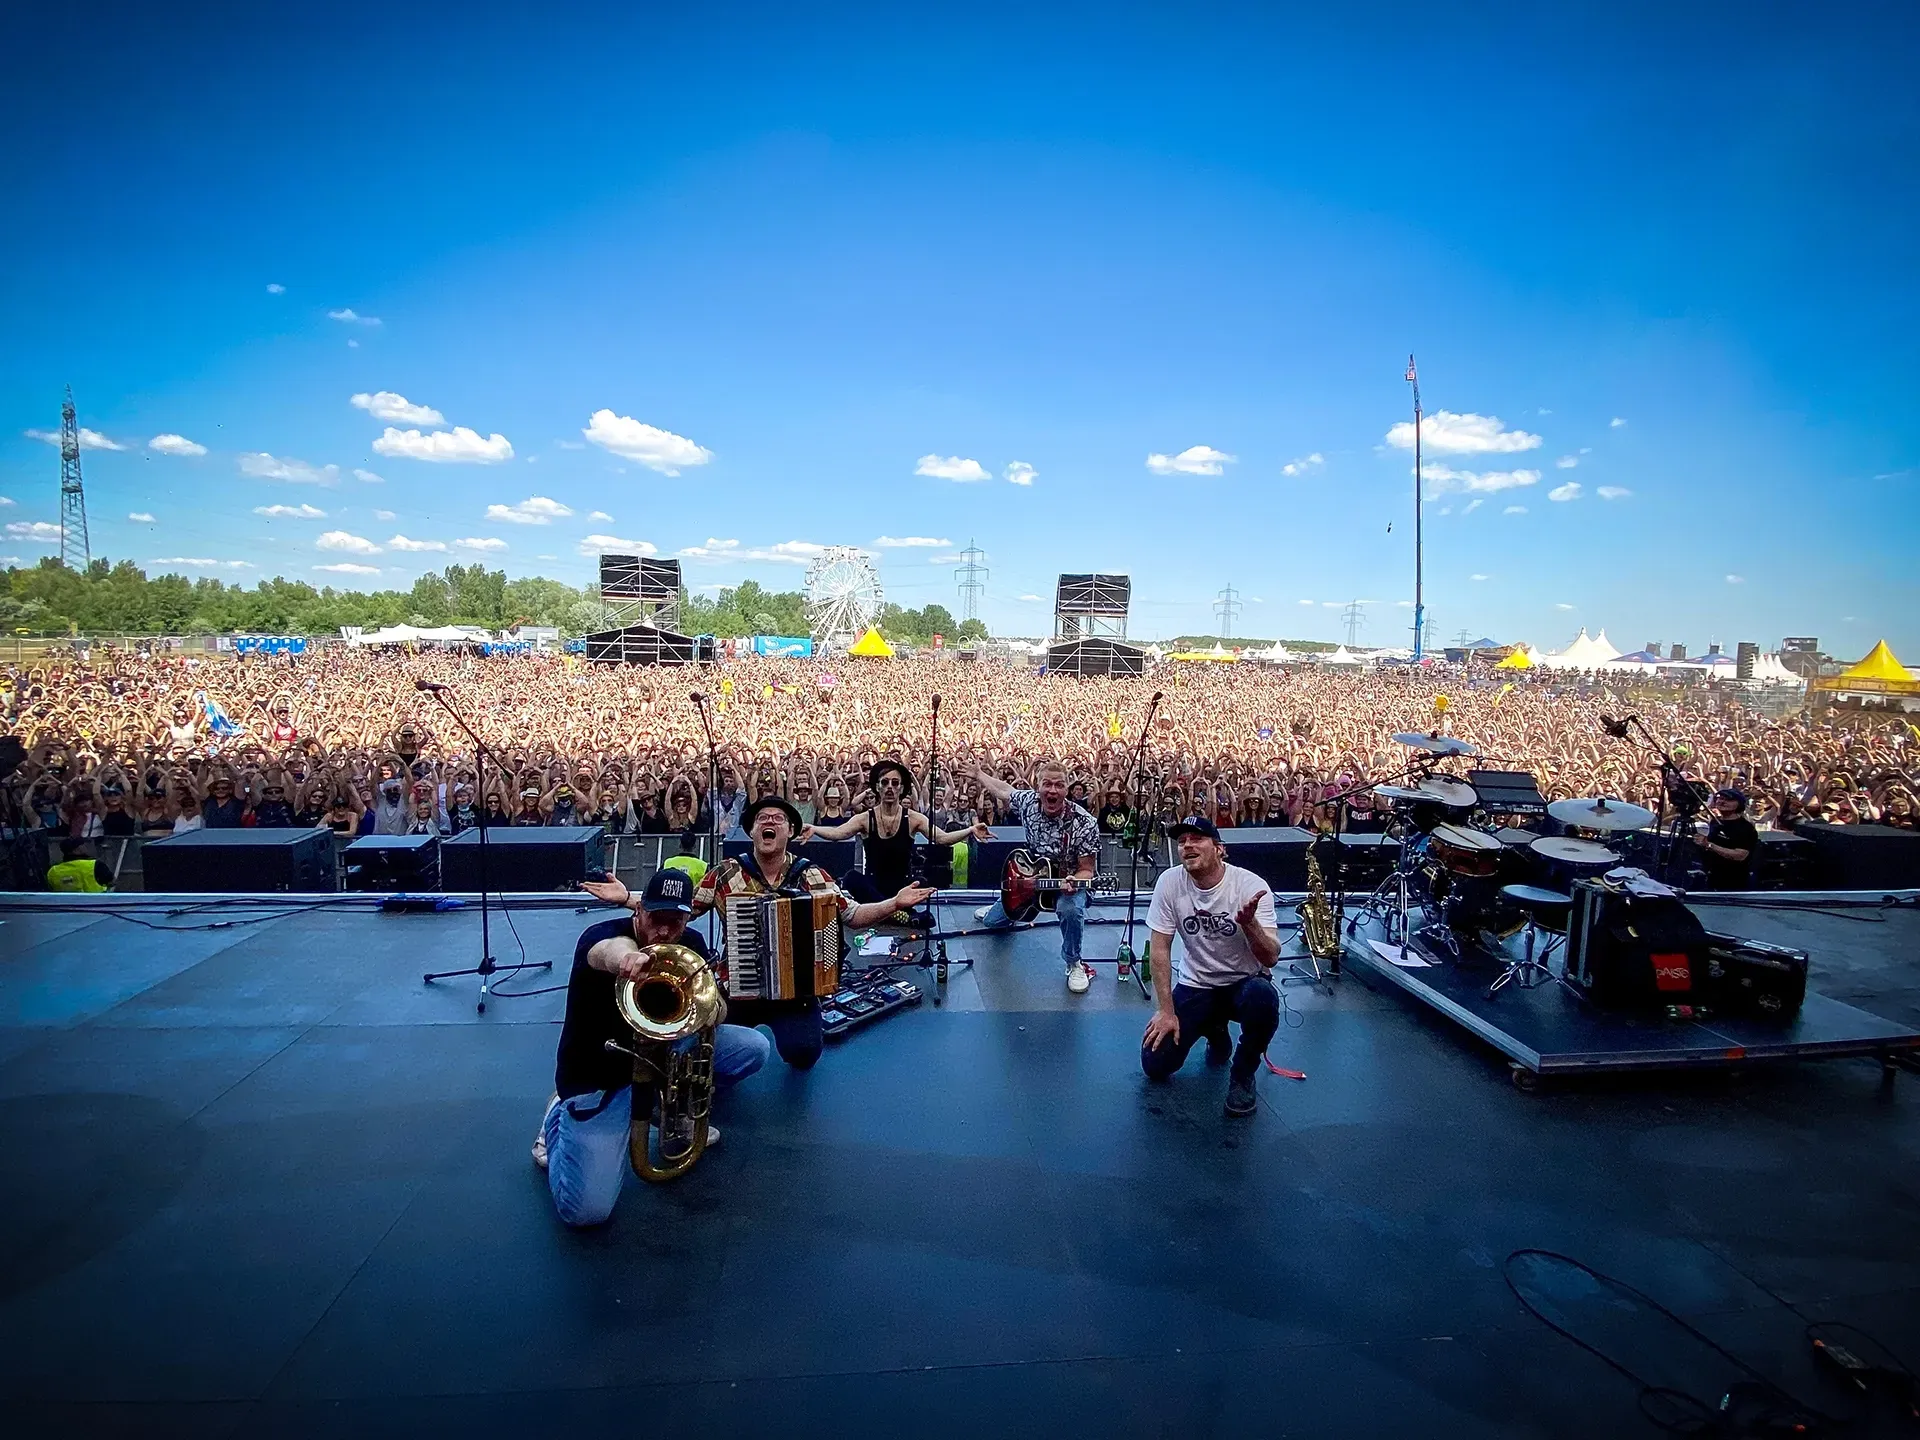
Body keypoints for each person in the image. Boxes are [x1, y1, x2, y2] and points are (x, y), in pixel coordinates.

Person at [587, 795, 932, 1071]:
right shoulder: (725, 873)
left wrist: (894, 903)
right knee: (708, 1048)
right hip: (737, 989)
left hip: (795, 992)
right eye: (761, 819)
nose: (769, 822)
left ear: (790, 833)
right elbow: (681, 908)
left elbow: (853, 915)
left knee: (805, 1055)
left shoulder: (811, 875)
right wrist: (630, 900)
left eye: (777, 819)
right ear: (751, 832)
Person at [533, 867, 771, 1228]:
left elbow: (715, 1009)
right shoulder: (601, 936)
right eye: (656, 919)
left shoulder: (689, 944)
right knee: (587, 1212)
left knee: (754, 1047)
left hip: (660, 1060)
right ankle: (556, 1118)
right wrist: (626, 960)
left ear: (687, 918)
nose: (664, 932)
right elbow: (607, 952)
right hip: (601, 1076)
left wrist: (713, 1006)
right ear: (638, 910)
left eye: (674, 922)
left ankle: (671, 1108)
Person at [1140, 817, 1281, 1118]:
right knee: (1155, 1066)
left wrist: (1250, 925)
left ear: (1220, 849)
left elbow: (1271, 957)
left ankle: (1243, 1073)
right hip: (1197, 984)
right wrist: (1166, 1011)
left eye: (1197, 838)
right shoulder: (1169, 882)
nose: (1188, 845)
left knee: (1263, 998)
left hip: (1243, 982)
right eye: (1182, 841)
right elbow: (1160, 949)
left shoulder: (1251, 886)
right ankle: (1214, 1028)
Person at [971, 760, 1103, 993]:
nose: (1052, 790)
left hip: (1068, 883)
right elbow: (1004, 790)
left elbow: (1087, 870)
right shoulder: (1029, 802)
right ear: (1038, 786)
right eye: (1047, 784)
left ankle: (1074, 962)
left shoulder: (1085, 823)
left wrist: (1075, 881)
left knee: (1070, 909)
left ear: (1067, 788)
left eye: (1059, 785)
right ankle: (1002, 905)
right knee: (992, 923)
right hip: (1031, 878)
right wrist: (980, 775)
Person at [802, 759, 989, 909]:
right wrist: (815, 829)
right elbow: (837, 833)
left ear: (901, 788)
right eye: (885, 783)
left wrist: (971, 830)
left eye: (895, 783)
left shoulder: (914, 818)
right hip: (873, 886)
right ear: (877, 787)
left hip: (902, 887)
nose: (890, 787)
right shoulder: (865, 818)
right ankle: (896, 913)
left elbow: (942, 838)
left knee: (922, 883)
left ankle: (888, 910)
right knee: (851, 878)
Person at [1692, 787, 1758, 891]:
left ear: (1739, 804)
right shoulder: (1715, 822)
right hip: (1712, 877)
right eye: (1720, 798)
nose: (1722, 802)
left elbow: (1740, 855)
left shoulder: (1745, 828)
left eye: (1728, 800)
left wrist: (1709, 845)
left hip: (1733, 881)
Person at [46, 836, 113, 893]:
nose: (85, 846)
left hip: (64, 906)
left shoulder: (53, 871)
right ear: (76, 850)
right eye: (82, 844)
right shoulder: (95, 865)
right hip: (95, 905)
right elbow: (112, 882)